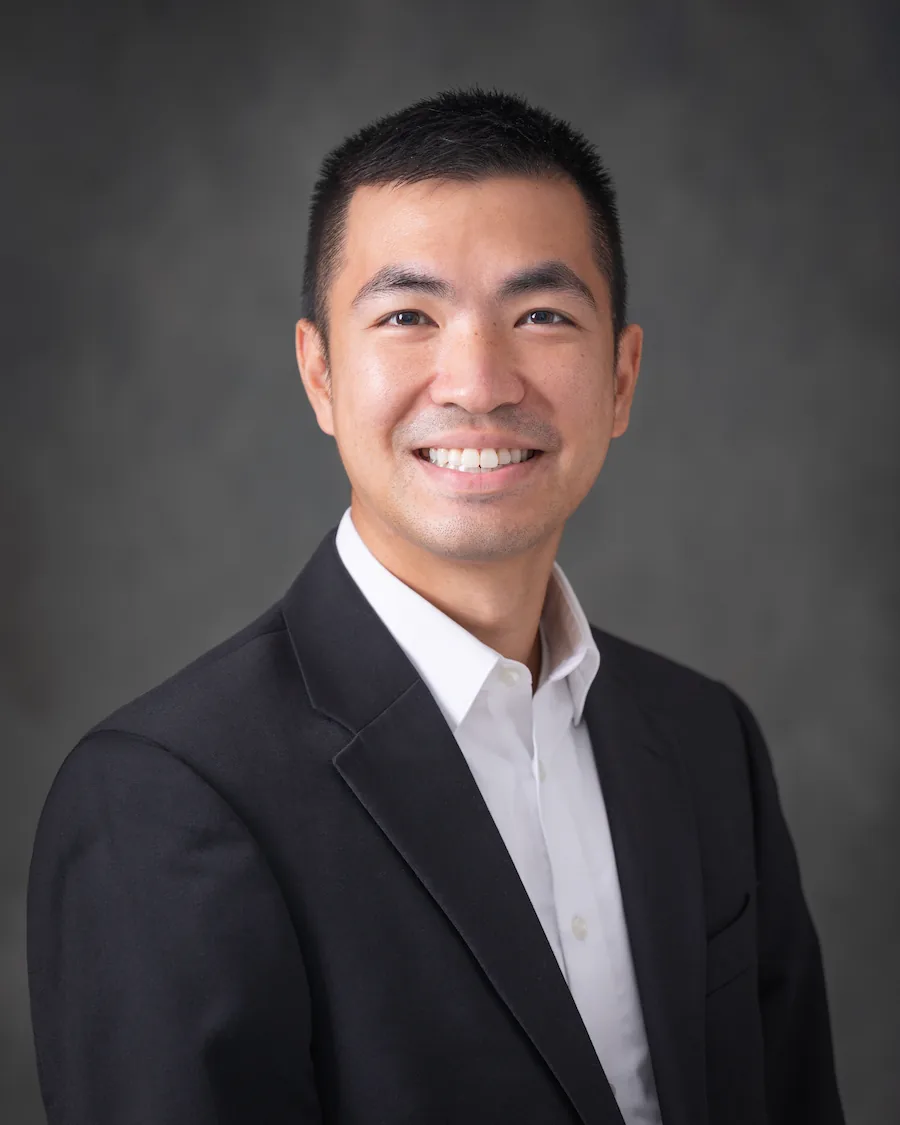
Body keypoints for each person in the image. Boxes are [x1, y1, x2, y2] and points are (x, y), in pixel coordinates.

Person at [27, 87, 845, 1125]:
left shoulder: (704, 739)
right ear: (320, 375)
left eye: (541, 315)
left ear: (622, 378)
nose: (478, 381)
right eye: (409, 316)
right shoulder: (160, 801)